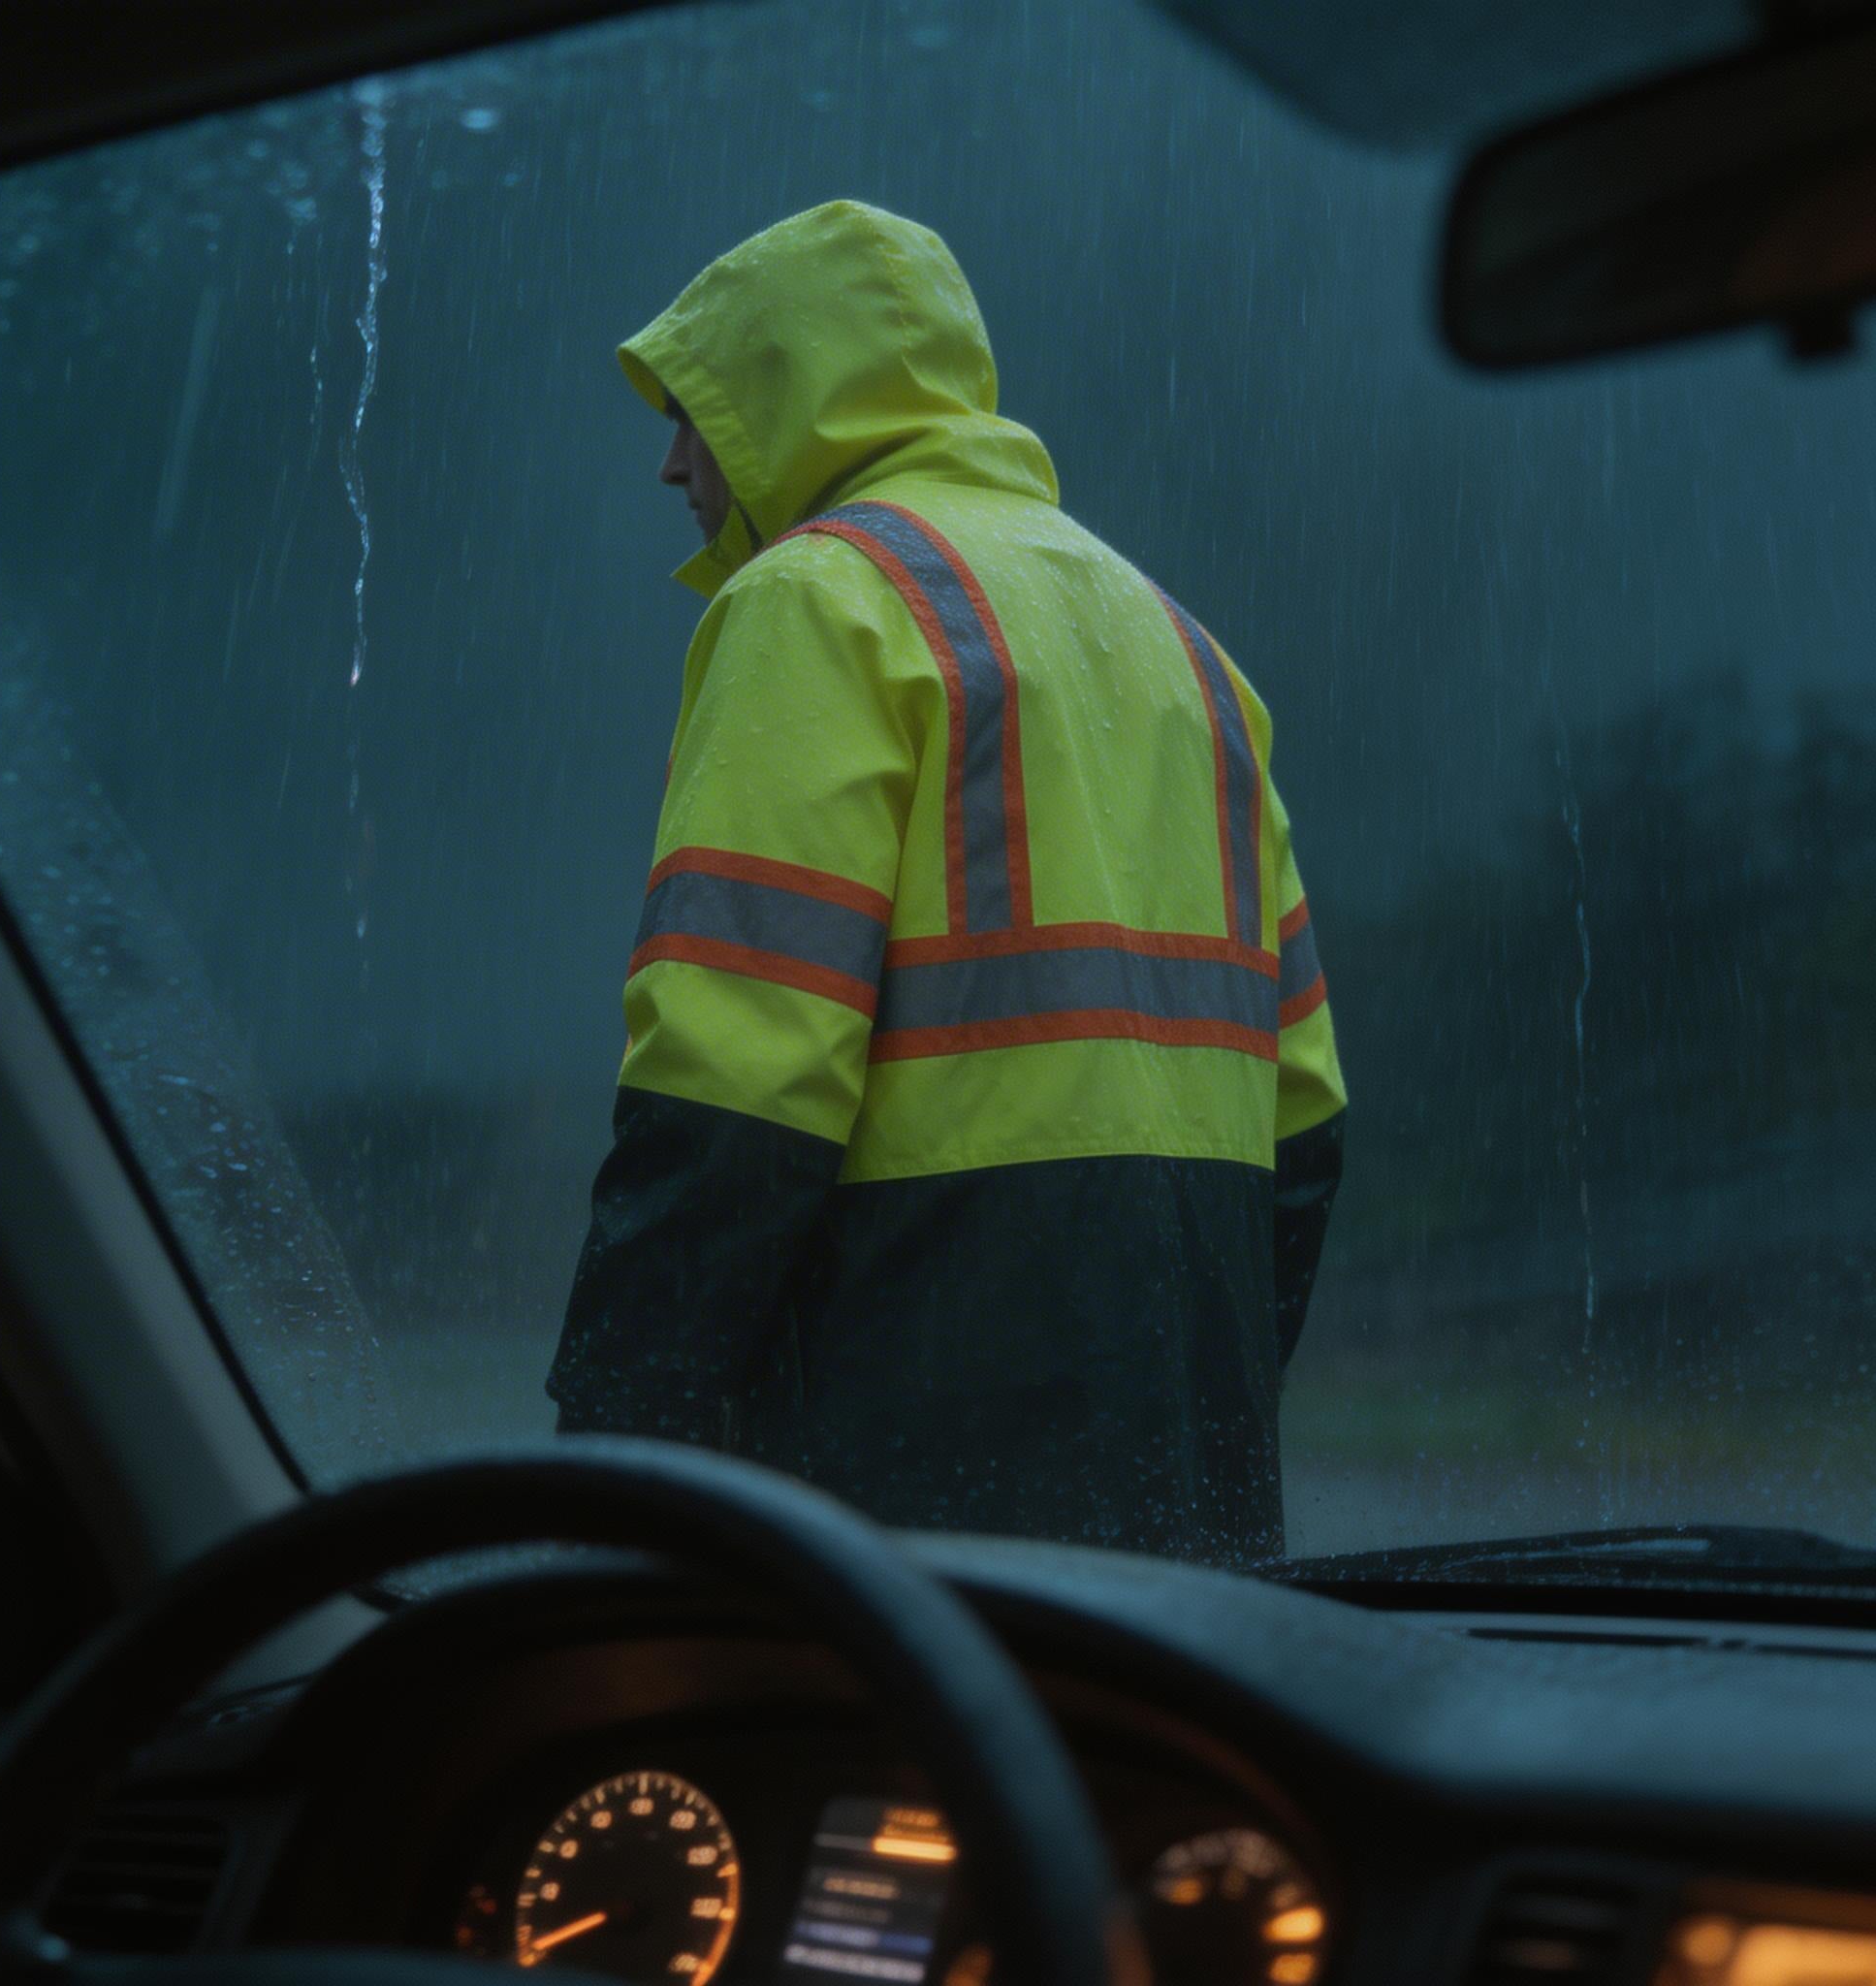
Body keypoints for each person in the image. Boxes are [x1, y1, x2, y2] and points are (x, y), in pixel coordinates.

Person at [547, 200, 1345, 1560]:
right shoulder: (1184, 645)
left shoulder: (818, 600)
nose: (673, 463)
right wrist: (1185, 1414)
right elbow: (1307, 1117)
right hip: (1189, 1506)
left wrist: (617, 1455)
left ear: (788, 394)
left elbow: (733, 1083)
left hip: (913, 1502)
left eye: (697, 408)